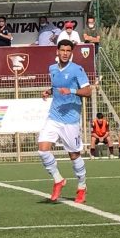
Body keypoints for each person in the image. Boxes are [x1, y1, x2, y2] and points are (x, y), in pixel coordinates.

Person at [39, 39, 92, 203]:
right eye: (62, 50)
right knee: (42, 149)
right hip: (54, 116)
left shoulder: (77, 70)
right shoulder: (52, 68)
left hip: (71, 120)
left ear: (71, 53)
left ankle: (82, 186)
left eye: (68, 51)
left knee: (74, 155)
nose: (65, 53)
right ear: (57, 51)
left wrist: (72, 90)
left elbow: (88, 91)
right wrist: (49, 91)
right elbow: (56, 87)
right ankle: (58, 180)